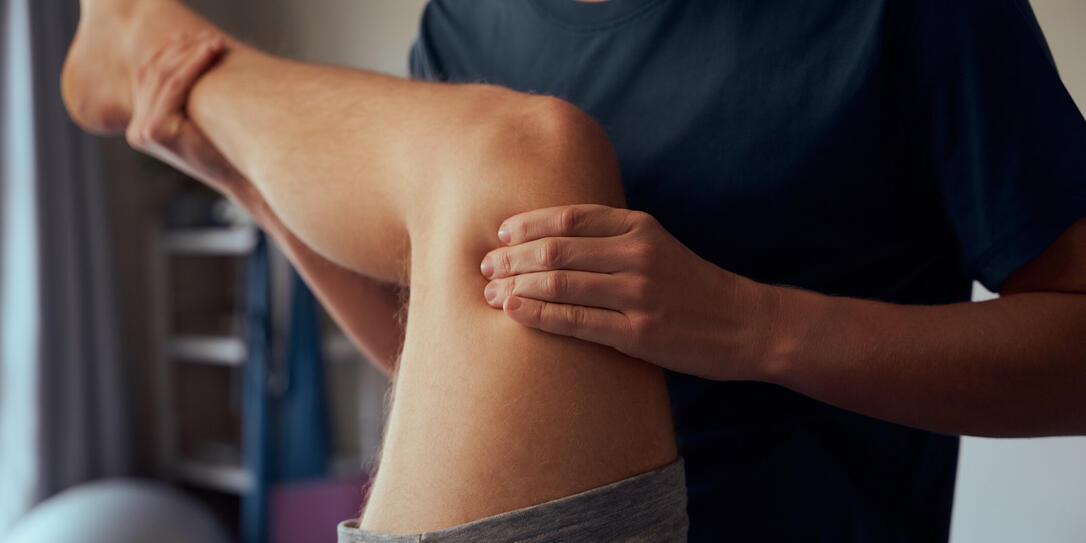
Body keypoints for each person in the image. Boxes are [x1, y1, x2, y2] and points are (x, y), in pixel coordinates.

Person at [62, 0, 1086, 542]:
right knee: (519, 149)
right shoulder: (466, 23)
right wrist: (242, 181)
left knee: (523, 150)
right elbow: (429, 348)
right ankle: (191, 86)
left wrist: (751, 325)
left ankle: (173, 57)